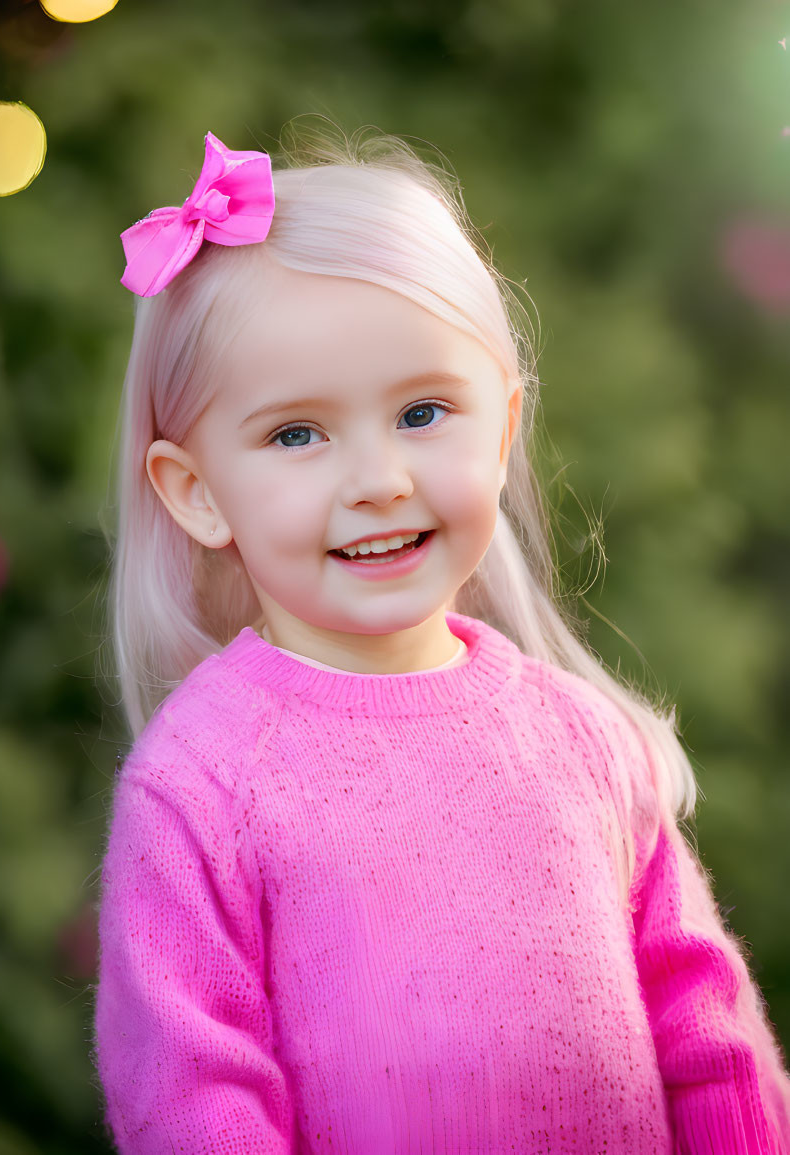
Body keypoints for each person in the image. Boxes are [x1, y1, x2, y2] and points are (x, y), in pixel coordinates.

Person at [92, 121, 790, 1153]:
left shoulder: (578, 741)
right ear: (196, 494)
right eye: (297, 434)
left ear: (501, 429)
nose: (377, 479)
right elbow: (192, 1098)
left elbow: (706, 1036)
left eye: (422, 413)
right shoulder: (201, 786)